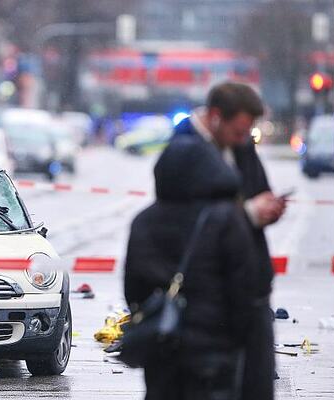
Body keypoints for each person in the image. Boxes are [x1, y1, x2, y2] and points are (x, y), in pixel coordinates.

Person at [125, 135, 258, 400]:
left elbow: (133, 291)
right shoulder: (227, 219)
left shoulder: (145, 221)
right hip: (215, 350)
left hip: (163, 347)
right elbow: (245, 290)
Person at [173, 82, 281, 400]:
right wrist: (248, 213)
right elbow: (190, 220)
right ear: (217, 117)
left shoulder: (242, 147)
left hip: (253, 290)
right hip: (210, 299)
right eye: (239, 131)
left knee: (257, 386)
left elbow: (259, 189)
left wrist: (269, 208)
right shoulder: (184, 148)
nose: (244, 138)